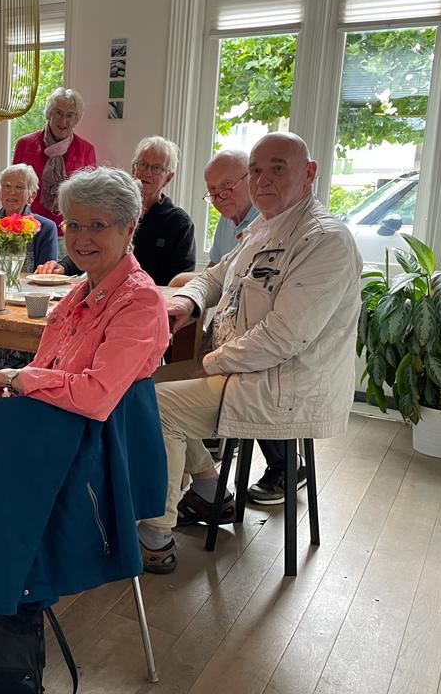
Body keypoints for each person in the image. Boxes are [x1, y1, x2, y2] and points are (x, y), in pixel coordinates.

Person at [0, 166, 170, 597]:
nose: (82, 238)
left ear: (129, 227)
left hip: (84, 453)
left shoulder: (138, 299)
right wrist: (5, 389)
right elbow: (48, 368)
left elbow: (95, 396)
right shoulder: (80, 291)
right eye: (74, 225)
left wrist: (14, 378)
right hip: (51, 430)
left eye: (97, 225)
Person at [138, 132, 362, 575]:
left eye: (277, 168)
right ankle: (208, 489)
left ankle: (154, 535)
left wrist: (206, 363)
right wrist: (185, 302)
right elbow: (214, 276)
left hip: (282, 385)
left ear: (309, 173)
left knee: (156, 405)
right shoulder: (265, 226)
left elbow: (282, 338)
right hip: (240, 370)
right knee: (137, 387)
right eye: (256, 170)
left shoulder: (325, 240)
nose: (263, 180)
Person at [37, 136, 195, 286]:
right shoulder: (109, 209)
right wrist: (63, 267)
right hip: (105, 293)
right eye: (143, 164)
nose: (147, 173)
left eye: (156, 168)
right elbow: (91, 245)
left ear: (169, 177)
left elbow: (181, 280)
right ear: (133, 167)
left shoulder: (178, 223)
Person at [0, 164, 58, 378]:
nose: (12, 192)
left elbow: (46, 273)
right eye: (7, 186)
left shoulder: (44, 227)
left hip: (28, 309)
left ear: (31, 195)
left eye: (19, 187)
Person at [169, 148, 258, 287]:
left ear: (250, 179)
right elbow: (212, 271)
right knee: (179, 281)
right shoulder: (226, 218)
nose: (219, 197)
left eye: (227, 185)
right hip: (226, 291)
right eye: (212, 189)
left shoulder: (265, 219)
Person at [12, 87, 97, 227]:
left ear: (76, 119)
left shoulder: (86, 150)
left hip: (69, 228)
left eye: (70, 115)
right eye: (58, 113)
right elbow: (14, 190)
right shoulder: (25, 144)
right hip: (29, 227)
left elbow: (89, 197)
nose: (63, 120)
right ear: (49, 113)